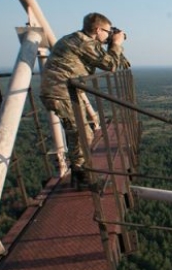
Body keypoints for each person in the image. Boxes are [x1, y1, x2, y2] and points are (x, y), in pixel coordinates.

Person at [40, 12, 129, 186]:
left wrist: (113, 44)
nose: (109, 34)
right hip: (62, 92)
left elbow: (108, 61)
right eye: (107, 31)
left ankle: (79, 176)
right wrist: (117, 43)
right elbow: (110, 65)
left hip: (63, 91)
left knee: (77, 133)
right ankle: (84, 177)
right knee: (83, 134)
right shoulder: (84, 42)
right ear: (97, 29)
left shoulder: (75, 39)